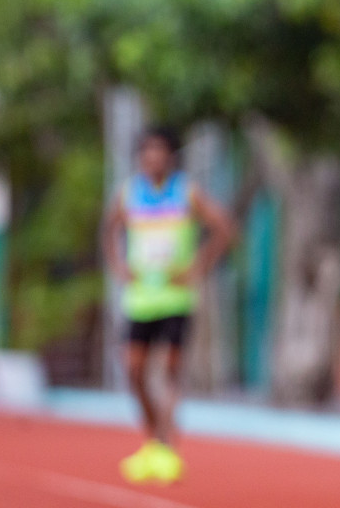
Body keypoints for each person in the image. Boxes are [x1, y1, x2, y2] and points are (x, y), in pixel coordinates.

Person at [102, 126, 235, 485]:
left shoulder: (186, 192)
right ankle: (153, 439)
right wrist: (118, 265)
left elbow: (224, 227)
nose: (153, 157)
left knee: (172, 370)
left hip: (176, 298)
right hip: (141, 299)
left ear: (171, 156)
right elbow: (109, 229)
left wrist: (199, 266)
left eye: (160, 150)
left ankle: (165, 446)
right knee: (133, 370)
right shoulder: (129, 193)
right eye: (147, 151)